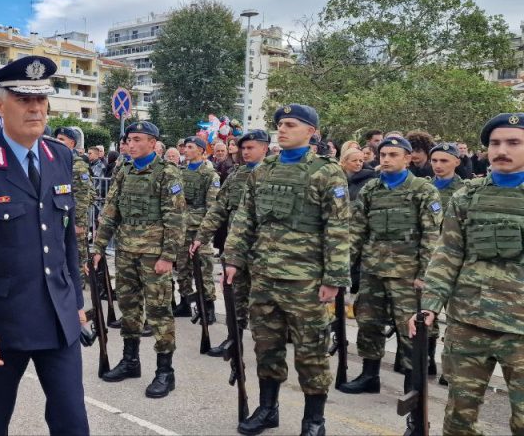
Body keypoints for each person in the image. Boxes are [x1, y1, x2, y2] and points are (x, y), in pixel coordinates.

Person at [0, 56, 89, 435]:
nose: (36, 108)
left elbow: (65, 238)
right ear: (0, 103)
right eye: (25, 99)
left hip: (59, 319)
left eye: (41, 100)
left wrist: (76, 303)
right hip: (2, 322)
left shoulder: (60, 156)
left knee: (73, 422)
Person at [224, 104, 350, 436]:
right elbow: (244, 219)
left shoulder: (327, 172)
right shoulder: (262, 170)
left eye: (291, 124)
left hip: (306, 281)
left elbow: (337, 229)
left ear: (311, 132)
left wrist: (334, 279)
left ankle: (313, 421)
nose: (282, 129)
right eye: (280, 124)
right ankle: (268, 410)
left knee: (311, 352)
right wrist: (233, 259)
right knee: (266, 347)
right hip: (264, 276)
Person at [409, 112, 524, 436]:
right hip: (468, 323)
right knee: (459, 417)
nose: (502, 149)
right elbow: (448, 253)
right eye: (495, 143)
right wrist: (429, 305)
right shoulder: (467, 196)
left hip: (521, 330)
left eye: (513, 142)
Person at [339, 136, 441, 407]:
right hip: (373, 270)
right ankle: (369, 375)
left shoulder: (423, 190)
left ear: (407, 158)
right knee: (368, 324)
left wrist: (424, 276)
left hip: (407, 276)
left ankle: (412, 383)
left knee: (411, 332)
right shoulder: (371, 189)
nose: (385, 159)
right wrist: (342, 267)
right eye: (383, 154)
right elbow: (356, 231)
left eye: (393, 154)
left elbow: (432, 237)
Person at [92, 121, 184, 397]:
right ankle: (130, 361)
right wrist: (98, 247)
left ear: (153, 143)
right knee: (129, 308)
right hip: (126, 252)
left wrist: (168, 256)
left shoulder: (167, 174)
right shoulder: (124, 170)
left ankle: (165, 372)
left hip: (154, 255)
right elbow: (110, 211)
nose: (129, 144)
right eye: (128, 139)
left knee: (158, 312)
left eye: (136, 139)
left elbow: (176, 219)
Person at [192, 129, 270, 357]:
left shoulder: (274, 174)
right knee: (234, 294)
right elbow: (218, 208)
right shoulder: (237, 175)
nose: (245, 152)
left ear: (264, 148)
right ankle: (233, 340)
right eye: (243, 148)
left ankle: (266, 349)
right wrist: (201, 237)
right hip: (236, 246)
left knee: (263, 301)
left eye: (250, 148)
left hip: (264, 248)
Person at [174, 136, 220, 320]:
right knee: (182, 267)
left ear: (201, 150)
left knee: (204, 268)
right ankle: (185, 302)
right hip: (182, 227)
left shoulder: (210, 175)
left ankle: (208, 307)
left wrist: (205, 232)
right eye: (185, 147)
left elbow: (213, 207)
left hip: (200, 228)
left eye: (190, 147)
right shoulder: (179, 172)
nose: (186, 150)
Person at [53, 127, 96, 288]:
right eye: (57, 138)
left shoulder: (78, 165)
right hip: (59, 217)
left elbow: (84, 195)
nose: (58, 142)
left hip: (74, 219)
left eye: (62, 139)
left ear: (72, 143)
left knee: (77, 254)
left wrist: (78, 222)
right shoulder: (56, 162)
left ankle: (78, 287)